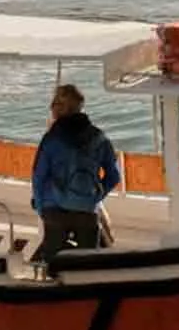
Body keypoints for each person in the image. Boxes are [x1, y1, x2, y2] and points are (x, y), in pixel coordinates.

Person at [30, 83, 121, 271]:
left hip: (54, 211)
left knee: (54, 265)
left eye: (54, 103)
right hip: (86, 211)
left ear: (61, 108)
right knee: (88, 267)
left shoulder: (52, 139)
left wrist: (41, 207)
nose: (50, 107)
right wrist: (95, 197)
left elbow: (38, 178)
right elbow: (113, 176)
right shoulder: (98, 137)